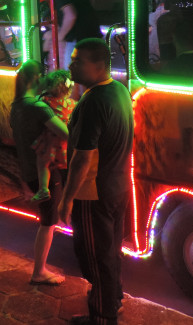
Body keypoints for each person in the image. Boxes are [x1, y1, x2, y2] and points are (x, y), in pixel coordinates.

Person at [58, 38, 134, 325]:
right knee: (110, 252)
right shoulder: (119, 90)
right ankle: (113, 301)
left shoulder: (93, 102)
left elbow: (82, 158)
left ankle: (103, 317)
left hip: (93, 193)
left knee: (95, 258)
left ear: (99, 65)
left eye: (78, 61)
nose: (71, 66)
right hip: (118, 186)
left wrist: (67, 199)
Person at [9, 60, 68, 285]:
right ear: (36, 78)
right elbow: (66, 134)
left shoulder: (17, 105)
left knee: (48, 219)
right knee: (47, 223)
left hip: (29, 170)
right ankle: (39, 271)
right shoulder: (38, 107)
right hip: (46, 171)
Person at [38, 0, 101, 69]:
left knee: (72, 74)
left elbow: (70, 15)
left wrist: (59, 36)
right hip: (92, 35)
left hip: (78, 40)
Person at [30, 69, 75, 203]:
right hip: (64, 144)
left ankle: (43, 188)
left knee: (43, 162)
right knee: (66, 170)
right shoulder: (71, 103)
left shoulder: (45, 101)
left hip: (49, 140)